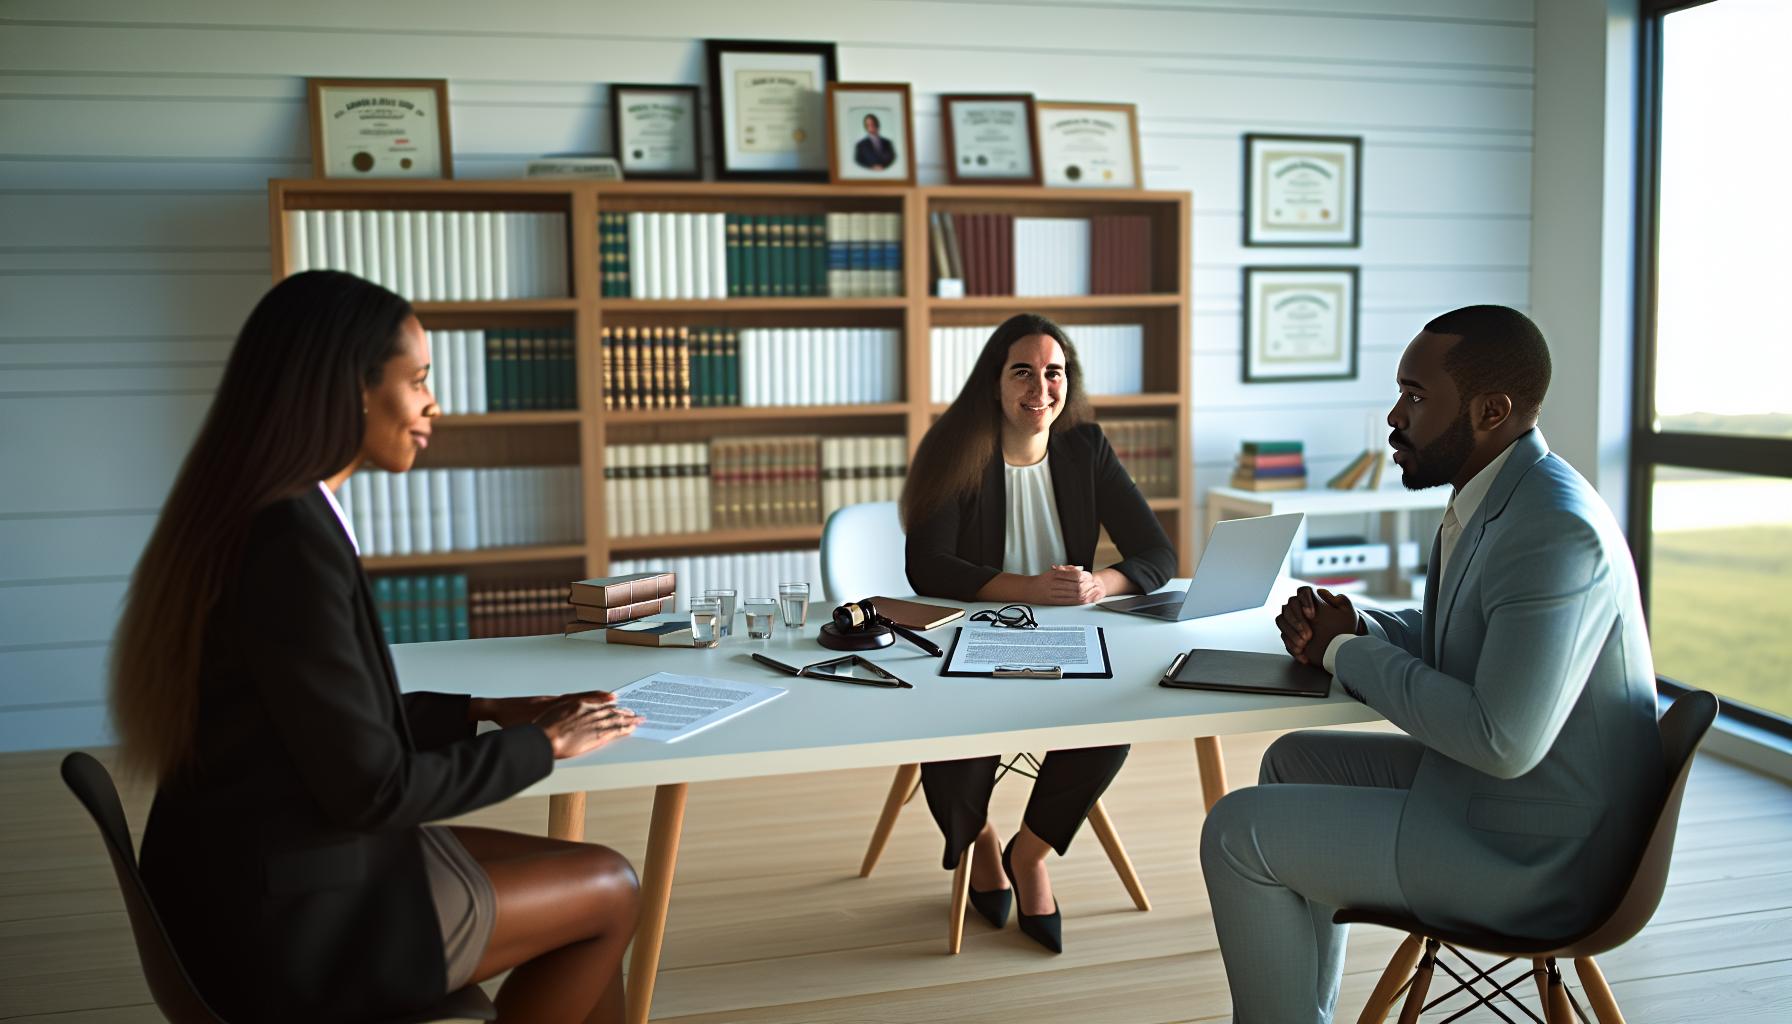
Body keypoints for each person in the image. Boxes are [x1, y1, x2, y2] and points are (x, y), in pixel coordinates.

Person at [111, 271, 644, 1024]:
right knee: (612, 888)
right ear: (351, 388)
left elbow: (314, 719)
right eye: (418, 379)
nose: (434, 404)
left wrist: (484, 710)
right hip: (294, 923)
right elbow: (375, 790)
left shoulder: (269, 515)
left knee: (583, 872)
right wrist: (545, 744)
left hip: (258, 865)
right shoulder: (289, 546)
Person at [1199, 305, 1665, 1023]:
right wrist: (1360, 624)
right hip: (1520, 802)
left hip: (1542, 850)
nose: (1394, 416)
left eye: (1415, 396)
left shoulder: (1554, 532)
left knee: (1235, 832)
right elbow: (1467, 641)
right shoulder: (1503, 496)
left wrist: (1346, 651)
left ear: (1491, 410)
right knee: (1293, 760)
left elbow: (1499, 741)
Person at [903, 312, 1175, 952]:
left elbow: (1156, 554)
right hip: (968, 634)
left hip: (1064, 637)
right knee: (943, 725)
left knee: (1115, 715)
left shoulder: (1086, 449)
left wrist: (1097, 585)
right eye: (1022, 371)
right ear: (994, 381)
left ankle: (1031, 852)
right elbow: (927, 566)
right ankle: (981, 839)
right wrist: (1026, 587)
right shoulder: (955, 447)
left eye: (1054, 372)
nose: (1041, 388)